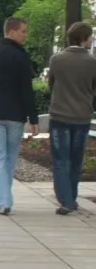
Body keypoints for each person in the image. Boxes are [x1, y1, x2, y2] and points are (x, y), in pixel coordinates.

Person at [0, 16, 40, 215]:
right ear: (11, 31)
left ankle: (3, 201)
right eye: (23, 31)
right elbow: (26, 90)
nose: (25, 36)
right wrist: (34, 119)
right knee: (10, 158)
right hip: (15, 115)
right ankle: (4, 199)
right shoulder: (20, 57)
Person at [48, 21, 96, 215]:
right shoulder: (92, 62)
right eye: (91, 36)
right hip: (82, 116)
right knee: (76, 160)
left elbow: (51, 84)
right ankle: (72, 198)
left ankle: (65, 200)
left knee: (60, 160)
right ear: (84, 39)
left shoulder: (56, 60)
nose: (92, 39)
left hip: (59, 115)